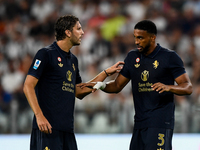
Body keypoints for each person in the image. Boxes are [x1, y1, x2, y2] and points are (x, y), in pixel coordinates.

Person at [79, 20, 193, 150]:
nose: (136, 42)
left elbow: (188, 87)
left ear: (152, 37)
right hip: (139, 123)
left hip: (160, 122)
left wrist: (169, 87)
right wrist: (102, 85)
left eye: (140, 38)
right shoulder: (132, 57)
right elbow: (117, 85)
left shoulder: (169, 57)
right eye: (135, 37)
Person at [23, 15, 124, 150]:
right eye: (79, 29)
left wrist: (105, 73)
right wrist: (39, 116)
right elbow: (28, 86)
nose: (82, 32)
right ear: (68, 32)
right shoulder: (45, 54)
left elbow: (79, 91)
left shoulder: (73, 60)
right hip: (47, 129)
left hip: (67, 131)